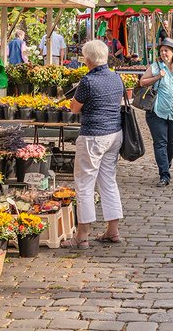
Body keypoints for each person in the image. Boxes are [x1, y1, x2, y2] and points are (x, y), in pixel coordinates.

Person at [65, 39, 125, 248]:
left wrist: (72, 102)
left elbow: (75, 108)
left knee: (84, 184)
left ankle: (82, 236)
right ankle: (113, 230)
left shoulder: (88, 81)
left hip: (93, 136)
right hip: (114, 134)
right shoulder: (116, 78)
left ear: (89, 60)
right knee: (108, 181)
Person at [138, 37, 173, 187]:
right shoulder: (155, 67)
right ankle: (164, 174)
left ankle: (166, 166)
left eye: (166, 50)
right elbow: (142, 82)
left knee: (171, 143)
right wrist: (157, 77)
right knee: (160, 143)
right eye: (161, 50)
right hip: (156, 112)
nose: (163, 53)